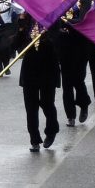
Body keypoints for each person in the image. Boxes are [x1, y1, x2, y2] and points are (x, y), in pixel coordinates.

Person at [16, 12, 60, 152]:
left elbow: (57, 42)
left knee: (47, 103)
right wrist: (21, 26)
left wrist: (48, 35)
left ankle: (51, 130)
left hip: (48, 67)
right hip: (30, 69)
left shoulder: (53, 18)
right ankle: (34, 139)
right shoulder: (25, 20)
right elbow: (16, 45)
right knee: (31, 106)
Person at [57, 0, 92, 126]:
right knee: (66, 83)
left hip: (80, 45)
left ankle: (84, 103)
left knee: (78, 79)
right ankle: (70, 116)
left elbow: (82, 21)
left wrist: (64, 21)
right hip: (64, 45)